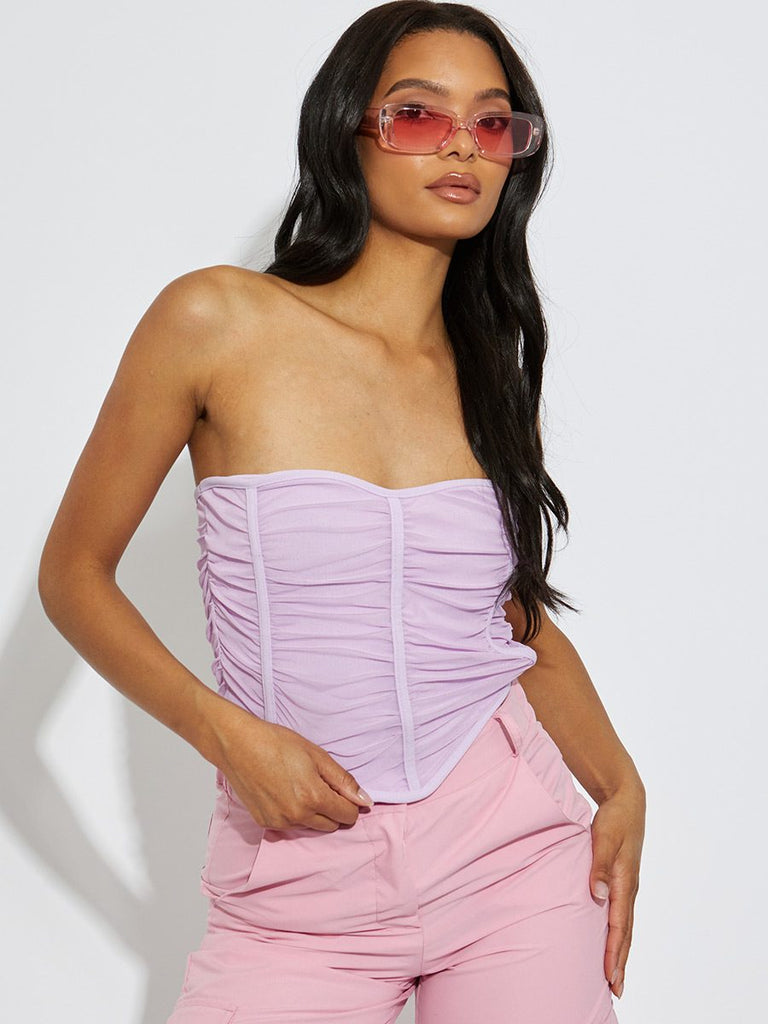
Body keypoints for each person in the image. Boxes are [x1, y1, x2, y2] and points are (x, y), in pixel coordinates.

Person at [38, 2, 646, 1021]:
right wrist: (226, 735)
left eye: (493, 122)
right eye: (419, 114)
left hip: (511, 863)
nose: (462, 144)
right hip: (296, 880)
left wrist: (621, 784)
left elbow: (509, 623)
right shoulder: (215, 321)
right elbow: (72, 576)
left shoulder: (491, 375)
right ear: (346, 130)